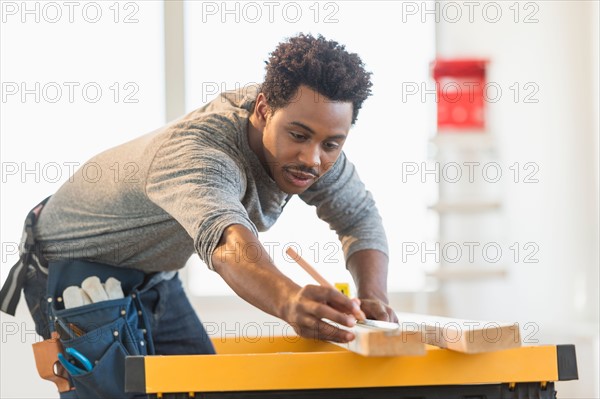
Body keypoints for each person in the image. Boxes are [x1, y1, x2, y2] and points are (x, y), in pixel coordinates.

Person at [1, 33, 396, 398]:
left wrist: (373, 297)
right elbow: (228, 244)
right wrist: (290, 300)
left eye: (331, 143)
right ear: (262, 109)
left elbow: (358, 217)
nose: (312, 158)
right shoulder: (201, 152)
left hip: (154, 271)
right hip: (72, 260)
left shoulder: (314, 144)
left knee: (201, 388)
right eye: (298, 136)